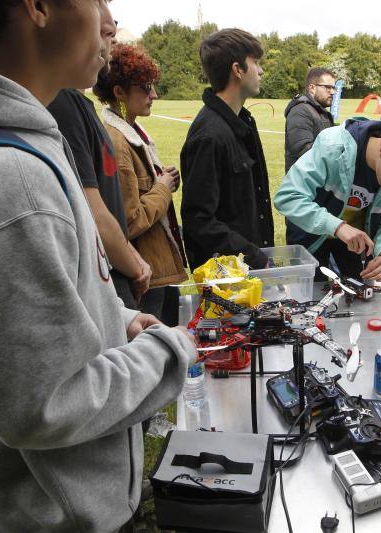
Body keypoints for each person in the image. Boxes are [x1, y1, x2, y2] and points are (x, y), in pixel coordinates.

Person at [0, 1, 196, 531]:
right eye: (97, 0)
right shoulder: (11, 181)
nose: (107, 24)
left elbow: (35, 319)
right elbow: (45, 400)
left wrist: (116, 322)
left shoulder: (19, 143)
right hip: (61, 514)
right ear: (39, 7)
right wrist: (168, 350)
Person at [47, 20, 151, 310]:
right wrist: (135, 266)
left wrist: (131, 255)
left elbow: (107, 207)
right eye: (106, 33)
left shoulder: (79, 105)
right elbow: (93, 212)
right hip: (108, 288)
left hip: (117, 283)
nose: (111, 40)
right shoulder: (63, 103)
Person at [275, 119, 381, 281]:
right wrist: (338, 226)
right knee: (309, 299)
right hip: (310, 237)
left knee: (358, 295)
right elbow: (288, 197)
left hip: (354, 246)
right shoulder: (333, 146)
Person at [94, 43, 188, 326]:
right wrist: (163, 186)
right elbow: (129, 219)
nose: (154, 95)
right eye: (145, 88)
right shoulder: (117, 140)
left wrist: (163, 179)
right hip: (143, 275)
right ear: (119, 92)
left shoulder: (132, 131)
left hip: (152, 268)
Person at [180, 28, 274, 270]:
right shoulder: (209, 136)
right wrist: (251, 254)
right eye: (255, 62)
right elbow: (198, 220)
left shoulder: (241, 122)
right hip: (226, 280)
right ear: (237, 69)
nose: (261, 70)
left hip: (246, 271)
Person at [284, 67, 336, 172]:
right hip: (302, 183)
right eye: (328, 87)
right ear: (312, 88)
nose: (333, 92)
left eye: (334, 88)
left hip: (318, 180)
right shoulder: (299, 111)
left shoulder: (320, 111)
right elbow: (303, 150)